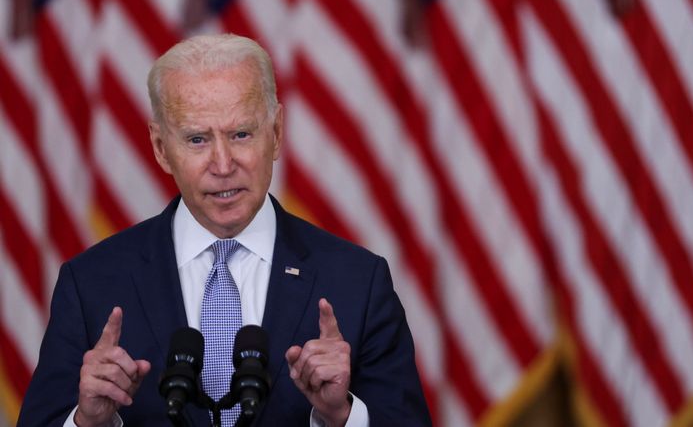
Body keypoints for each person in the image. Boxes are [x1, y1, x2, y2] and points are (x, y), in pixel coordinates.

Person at [18, 34, 431, 427]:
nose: (222, 164)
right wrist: (89, 421)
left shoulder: (357, 282)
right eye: (197, 139)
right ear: (161, 148)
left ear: (276, 133)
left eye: (241, 134)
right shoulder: (91, 284)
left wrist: (342, 416)